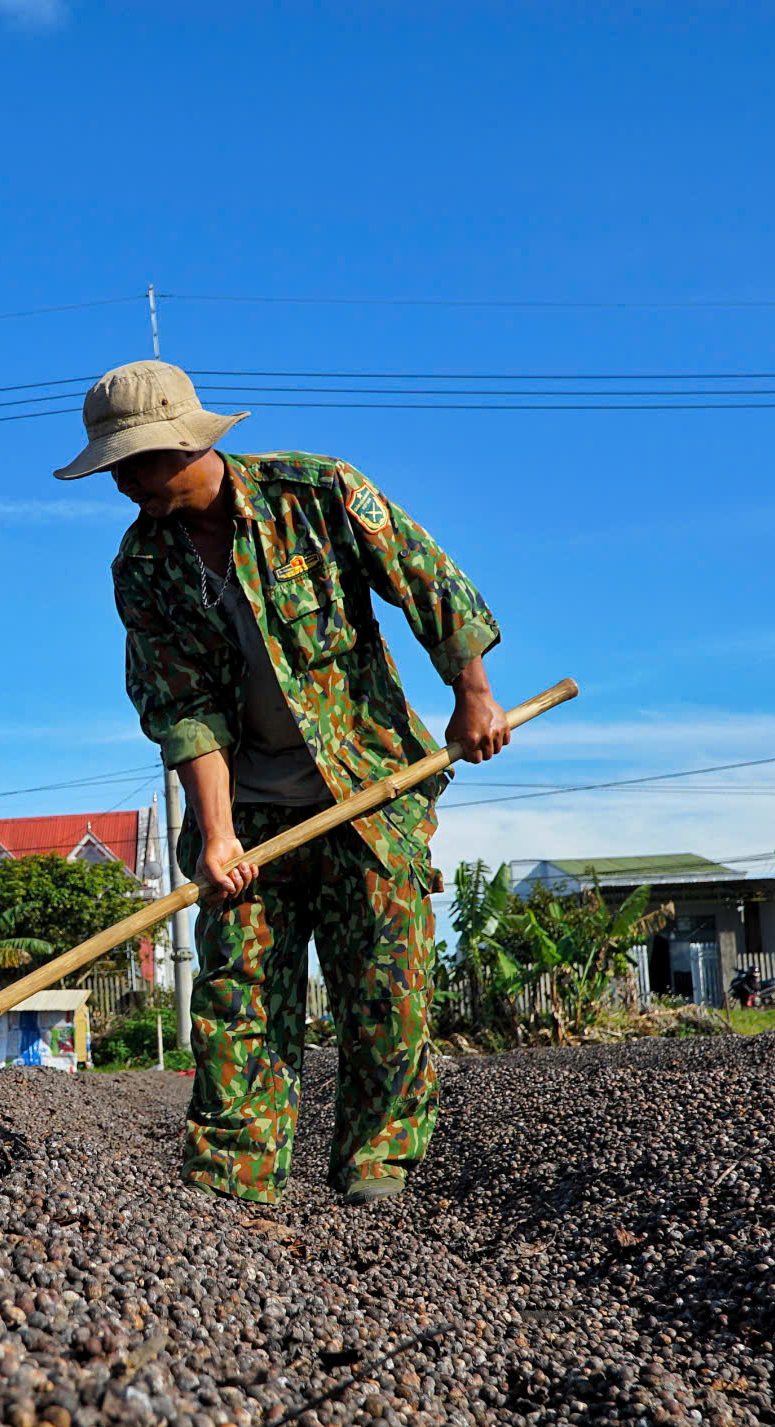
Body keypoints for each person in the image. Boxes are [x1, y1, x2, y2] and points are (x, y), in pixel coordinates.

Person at [54, 360, 510, 1206]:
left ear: (188, 442)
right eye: (113, 468)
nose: (125, 483)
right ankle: (235, 1182)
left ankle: (377, 1165)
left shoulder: (316, 493)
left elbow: (424, 578)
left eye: (138, 462)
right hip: (253, 814)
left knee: (385, 985)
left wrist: (472, 696)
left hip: (367, 785)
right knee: (239, 1002)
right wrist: (220, 833)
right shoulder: (144, 566)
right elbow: (183, 708)